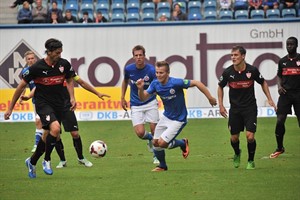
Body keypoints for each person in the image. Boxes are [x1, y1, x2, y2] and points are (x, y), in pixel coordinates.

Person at [4, 38, 76, 178]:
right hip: (43, 104)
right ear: (49, 52)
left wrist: (72, 97)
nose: (60, 55)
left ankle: (31, 162)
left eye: (61, 52)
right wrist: (10, 108)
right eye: (57, 52)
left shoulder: (64, 64)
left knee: (46, 136)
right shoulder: (37, 67)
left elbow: (69, 79)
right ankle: (47, 160)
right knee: (55, 129)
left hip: (59, 104)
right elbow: (21, 87)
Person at [136, 61, 217, 172]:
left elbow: (197, 83)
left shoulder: (176, 83)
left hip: (179, 119)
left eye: (161, 73)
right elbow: (143, 98)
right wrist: (140, 89)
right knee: (155, 143)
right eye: (157, 72)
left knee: (162, 143)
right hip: (166, 117)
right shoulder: (155, 84)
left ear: (168, 73)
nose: (158, 75)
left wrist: (210, 98)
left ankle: (182, 143)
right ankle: (163, 166)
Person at [21, 75, 111, 169]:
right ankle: (62, 160)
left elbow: (82, 82)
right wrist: (28, 96)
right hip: (53, 107)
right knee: (55, 135)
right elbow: (37, 88)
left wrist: (97, 93)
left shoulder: (67, 70)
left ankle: (81, 158)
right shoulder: (48, 72)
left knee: (75, 133)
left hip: (67, 106)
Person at [218, 45, 276, 170]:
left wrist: (269, 98)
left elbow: (263, 82)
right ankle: (237, 153)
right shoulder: (228, 72)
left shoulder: (252, 70)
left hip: (250, 108)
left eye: (236, 55)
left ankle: (250, 160)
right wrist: (221, 105)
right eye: (232, 55)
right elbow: (220, 87)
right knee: (234, 138)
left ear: (243, 56)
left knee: (250, 136)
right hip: (235, 110)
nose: (233, 58)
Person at [121, 45, 159, 164]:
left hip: (150, 102)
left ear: (144, 56)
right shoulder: (128, 69)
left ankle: (156, 155)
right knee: (140, 133)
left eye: (140, 55)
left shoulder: (151, 70)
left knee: (155, 131)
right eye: (136, 55)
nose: (138, 57)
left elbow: (157, 85)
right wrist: (122, 97)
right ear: (133, 57)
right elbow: (125, 81)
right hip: (136, 104)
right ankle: (149, 139)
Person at [269, 37, 300, 158]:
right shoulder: (282, 61)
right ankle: (279, 147)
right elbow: (279, 76)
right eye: (288, 44)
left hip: (298, 94)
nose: (289, 46)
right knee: (280, 120)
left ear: (296, 45)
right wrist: (279, 86)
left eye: (292, 44)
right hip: (285, 94)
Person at [18, 51, 44, 153]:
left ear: (35, 59)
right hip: (36, 100)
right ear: (26, 61)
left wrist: (28, 96)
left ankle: (38, 144)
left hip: (46, 99)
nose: (30, 60)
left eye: (32, 58)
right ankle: (38, 144)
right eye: (28, 59)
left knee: (39, 121)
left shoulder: (41, 70)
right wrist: (21, 96)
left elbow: (38, 86)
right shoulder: (25, 71)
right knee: (39, 122)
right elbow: (24, 85)